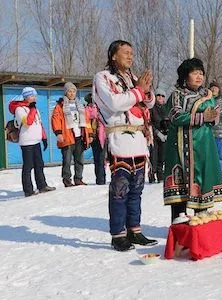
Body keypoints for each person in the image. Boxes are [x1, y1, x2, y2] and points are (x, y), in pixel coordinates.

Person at [93, 40, 157, 251]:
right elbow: (114, 102)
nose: (130, 57)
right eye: (126, 53)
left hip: (139, 139)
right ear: (113, 55)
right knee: (120, 189)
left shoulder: (133, 78)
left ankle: (134, 230)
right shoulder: (103, 77)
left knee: (137, 189)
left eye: (132, 53)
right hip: (119, 137)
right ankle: (118, 234)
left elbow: (149, 103)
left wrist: (146, 92)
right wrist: (139, 92)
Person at [163, 58, 222, 222]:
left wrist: (213, 117)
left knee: (202, 179)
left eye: (201, 73)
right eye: (194, 73)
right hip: (180, 145)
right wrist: (202, 117)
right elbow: (176, 116)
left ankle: (201, 219)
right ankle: (179, 221)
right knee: (181, 181)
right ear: (185, 75)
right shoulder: (177, 95)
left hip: (203, 144)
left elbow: (215, 117)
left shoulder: (207, 94)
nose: (199, 76)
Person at [9, 87, 56, 197]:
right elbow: (28, 122)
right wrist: (32, 110)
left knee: (39, 164)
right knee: (28, 166)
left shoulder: (34, 108)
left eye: (35, 96)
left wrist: (44, 137)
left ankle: (42, 185)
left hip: (36, 140)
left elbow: (39, 123)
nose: (35, 98)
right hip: (26, 141)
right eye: (32, 96)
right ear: (26, 97)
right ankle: (28, 190)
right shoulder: (19, 109)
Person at [52, 82, 93, 187]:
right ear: (66, 92)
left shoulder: (80, 105)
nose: (72, 93)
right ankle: (67, 179)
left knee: (79, 159)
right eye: (69, 91)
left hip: (80, 136)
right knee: (67, 160)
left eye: (73, 91)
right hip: (67, 136)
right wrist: (58, 133)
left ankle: (78, 179)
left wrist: (90, 134)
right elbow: (56, 120)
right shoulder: (60, 106)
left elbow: (86, 120)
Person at [84, 93, 106, 185]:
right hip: (93, 136)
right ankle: (99, 179)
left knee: (101, 158)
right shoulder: (87, 110)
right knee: (97, 159)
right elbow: (89, 117)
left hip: (101, 136)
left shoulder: (100, 109)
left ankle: (101, 179)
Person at [149, 88, 169, 183]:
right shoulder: (151, 108)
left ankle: (160, 175)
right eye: (158, 95)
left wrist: (168, 131)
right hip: (154, 135)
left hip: (164, 136)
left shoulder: (166, 108)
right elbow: (149, 123)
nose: (160, 97)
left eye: (162, 96)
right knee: (154, 157)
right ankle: (152, 174)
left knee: (162, 156)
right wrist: (157, 132)